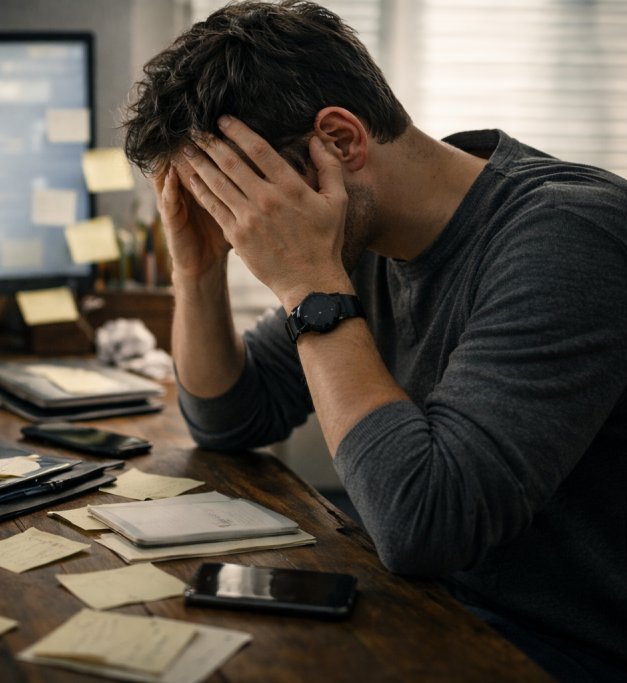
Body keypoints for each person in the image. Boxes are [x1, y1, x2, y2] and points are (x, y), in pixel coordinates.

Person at [121, 2, 627, 682]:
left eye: (240, 195)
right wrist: (198, 268)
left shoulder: (569, 236)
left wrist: (309, 285)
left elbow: (427, 522)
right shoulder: (366, 237)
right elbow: (229, 415)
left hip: (568, 648)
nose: (239, 226)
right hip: (434, 606)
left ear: (339, 140)